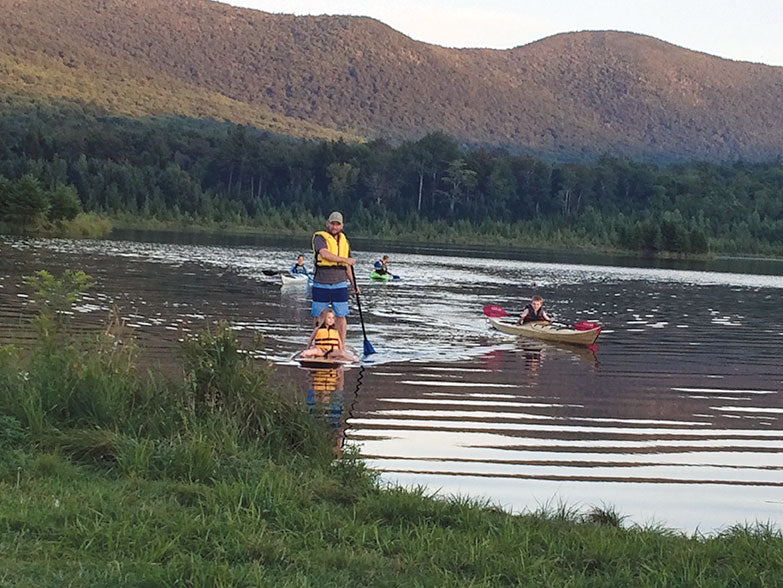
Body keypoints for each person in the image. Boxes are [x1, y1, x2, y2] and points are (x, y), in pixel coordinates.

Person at [310, 211, 358, 344]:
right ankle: (318, 343)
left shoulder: (344, 241)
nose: (334, 227)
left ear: (342, 226)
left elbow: (347, 266)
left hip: (340, 284)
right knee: (318, 315)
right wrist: (345, 260)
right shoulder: (320, 238)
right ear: (327, 223)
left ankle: (341, 345)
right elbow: (325, 254)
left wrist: (354, 284)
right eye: (332, 224)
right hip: (321, 282)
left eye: (337, 224)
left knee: (341, 316)